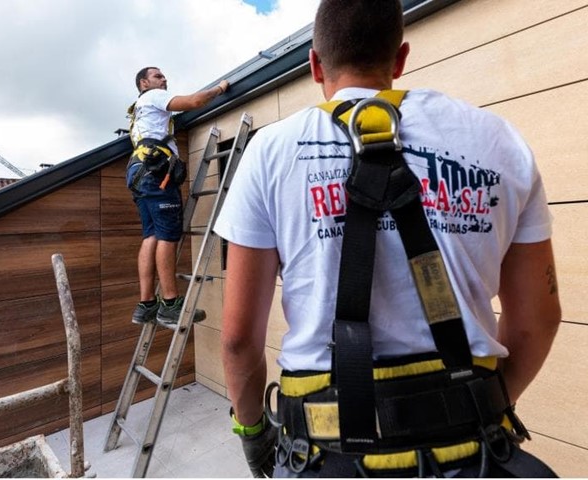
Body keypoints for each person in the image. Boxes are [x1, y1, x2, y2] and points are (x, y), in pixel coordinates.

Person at [214, 0, 562, 477]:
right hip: (473, 452)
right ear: (400, 58)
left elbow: (237, 340)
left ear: (315, 64)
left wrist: (253, 434)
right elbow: (537, 320)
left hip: (326, 452)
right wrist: (477, 407)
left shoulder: (270, 153)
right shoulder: (498, 141)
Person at [128, 66, 229, 327]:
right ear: (144, 84)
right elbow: (194, 102)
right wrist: (220, 88)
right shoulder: (153, 97)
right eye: (158, 76)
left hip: (139, 171)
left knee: (151, 235)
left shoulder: (139, 109)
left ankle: (147, 304)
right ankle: (170, 304)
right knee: (166, 235)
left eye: (164, 77)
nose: (164, 80)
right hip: (155, 171)